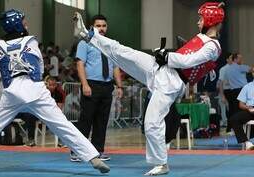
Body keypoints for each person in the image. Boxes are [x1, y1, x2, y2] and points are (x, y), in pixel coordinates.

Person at [73, 2, 224, 175]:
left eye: (201, 18)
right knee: (123, 51)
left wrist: (167, 55)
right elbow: (185, 58)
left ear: (210, 20)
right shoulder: (202, 38)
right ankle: (87, 34)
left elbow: (187, 62)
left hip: (171, 82)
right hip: (161, 68)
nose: (198, 22)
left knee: (152, 123)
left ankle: (161, 164)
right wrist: (164, 54)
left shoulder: (213, 47)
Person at [0, 9, 110, 174]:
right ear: (17, 24)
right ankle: (94, 158)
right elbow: (39, 68)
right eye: (23, 21)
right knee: (62, 125)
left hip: (12, 92)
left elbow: (2, 68)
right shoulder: (30, 41)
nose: (26, 23)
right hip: (34, 90)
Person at [71, 14, 123, 162]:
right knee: (85, 119)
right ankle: (77, 152)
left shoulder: (111, 44)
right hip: (91, 84)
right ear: (92, 27)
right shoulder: (85, 43)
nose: (101, 28)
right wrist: (85, 84)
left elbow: (115, 67)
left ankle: (98, 150)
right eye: (98, 26)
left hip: (107, 86)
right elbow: (80, 64)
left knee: (102, 120)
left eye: (104, 26)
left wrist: (119, 86)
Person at [230, 80, 254, 150]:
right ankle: (247, 143)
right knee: (234, 119)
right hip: (250, 109)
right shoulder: (247, 86)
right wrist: (248, 108)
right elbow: (241, 104)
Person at [217, 54, 232, 127]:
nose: (232, 59)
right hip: (225, 91)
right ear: (227, 59)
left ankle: (231, 124)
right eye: (231, 58)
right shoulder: (223, 69)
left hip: (233, 91)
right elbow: (220, 83)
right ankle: (225, 123)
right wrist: (222, 95)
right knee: (223, 108)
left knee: (232, 109)